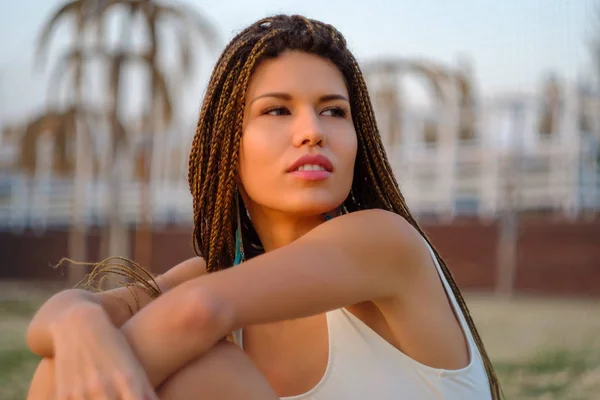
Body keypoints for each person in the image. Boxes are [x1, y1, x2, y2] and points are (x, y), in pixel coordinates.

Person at [26, 14, 502, 399]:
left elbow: (197, 313)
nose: (312, 130)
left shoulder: (383, 240)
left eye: (333, 110)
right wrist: (80, 323)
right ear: (226, 145)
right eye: (278, 109)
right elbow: (50, 325)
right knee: (70, 360)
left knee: (200, 371)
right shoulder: (210, 276)